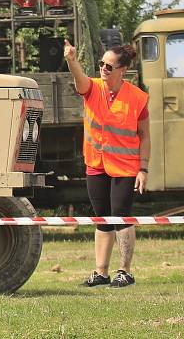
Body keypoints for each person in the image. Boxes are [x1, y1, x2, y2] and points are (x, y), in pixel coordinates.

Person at [64, 39, 150, 288]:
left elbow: (145, 136)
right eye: (102, 64)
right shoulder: (93, 88)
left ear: (122, 70)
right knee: (101, 217)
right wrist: (72, 60)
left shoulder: (138, 98)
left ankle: (125, 271)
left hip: (125, 164)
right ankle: (101, 272)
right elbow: (80, 80)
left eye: (109, 66)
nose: (103, 68)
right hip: (96, 162)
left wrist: (143, 168)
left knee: (121, 215)